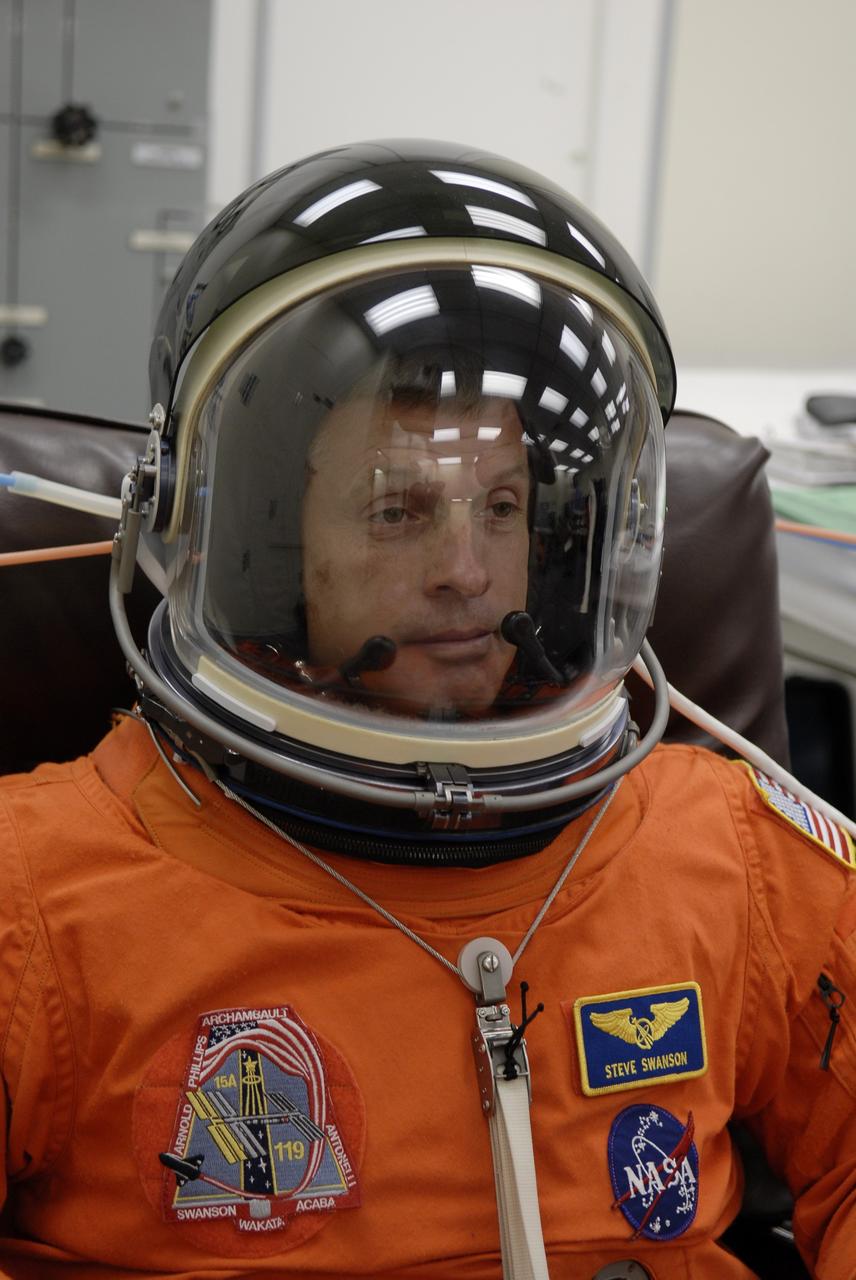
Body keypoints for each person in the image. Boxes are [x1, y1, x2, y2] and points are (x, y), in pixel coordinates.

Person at [0, 139, 854, 1280]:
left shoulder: (729, 852)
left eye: (498, 506)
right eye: (397, 508)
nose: (466, 569)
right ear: (269, 546)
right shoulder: (40, 903)